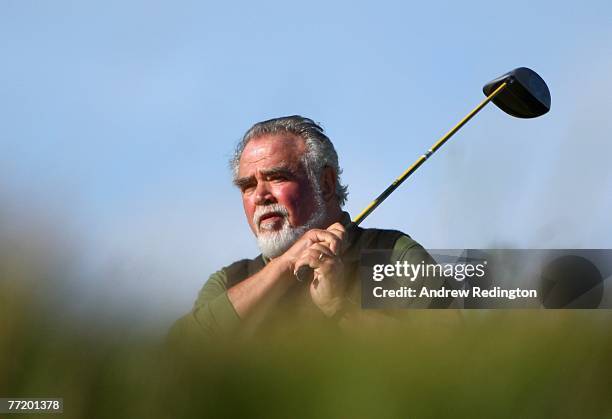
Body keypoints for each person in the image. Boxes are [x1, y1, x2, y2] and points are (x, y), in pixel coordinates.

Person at [168, 115, 442, 342]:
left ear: (326, 183)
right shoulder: (230, 279)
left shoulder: (393, 253)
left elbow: (456, 356)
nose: (260, 195)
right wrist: (285, 265)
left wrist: (338, 307)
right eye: (248, 186)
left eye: (277, 177)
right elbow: (176, 354)